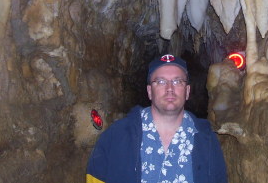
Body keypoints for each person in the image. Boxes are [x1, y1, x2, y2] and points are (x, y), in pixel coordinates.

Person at [86, 54, 228, 183]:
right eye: (160, 82)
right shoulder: (116, 136)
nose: (169, 88)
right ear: (149, 91)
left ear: (187, 91)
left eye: (177, 81)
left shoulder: (207, 141)